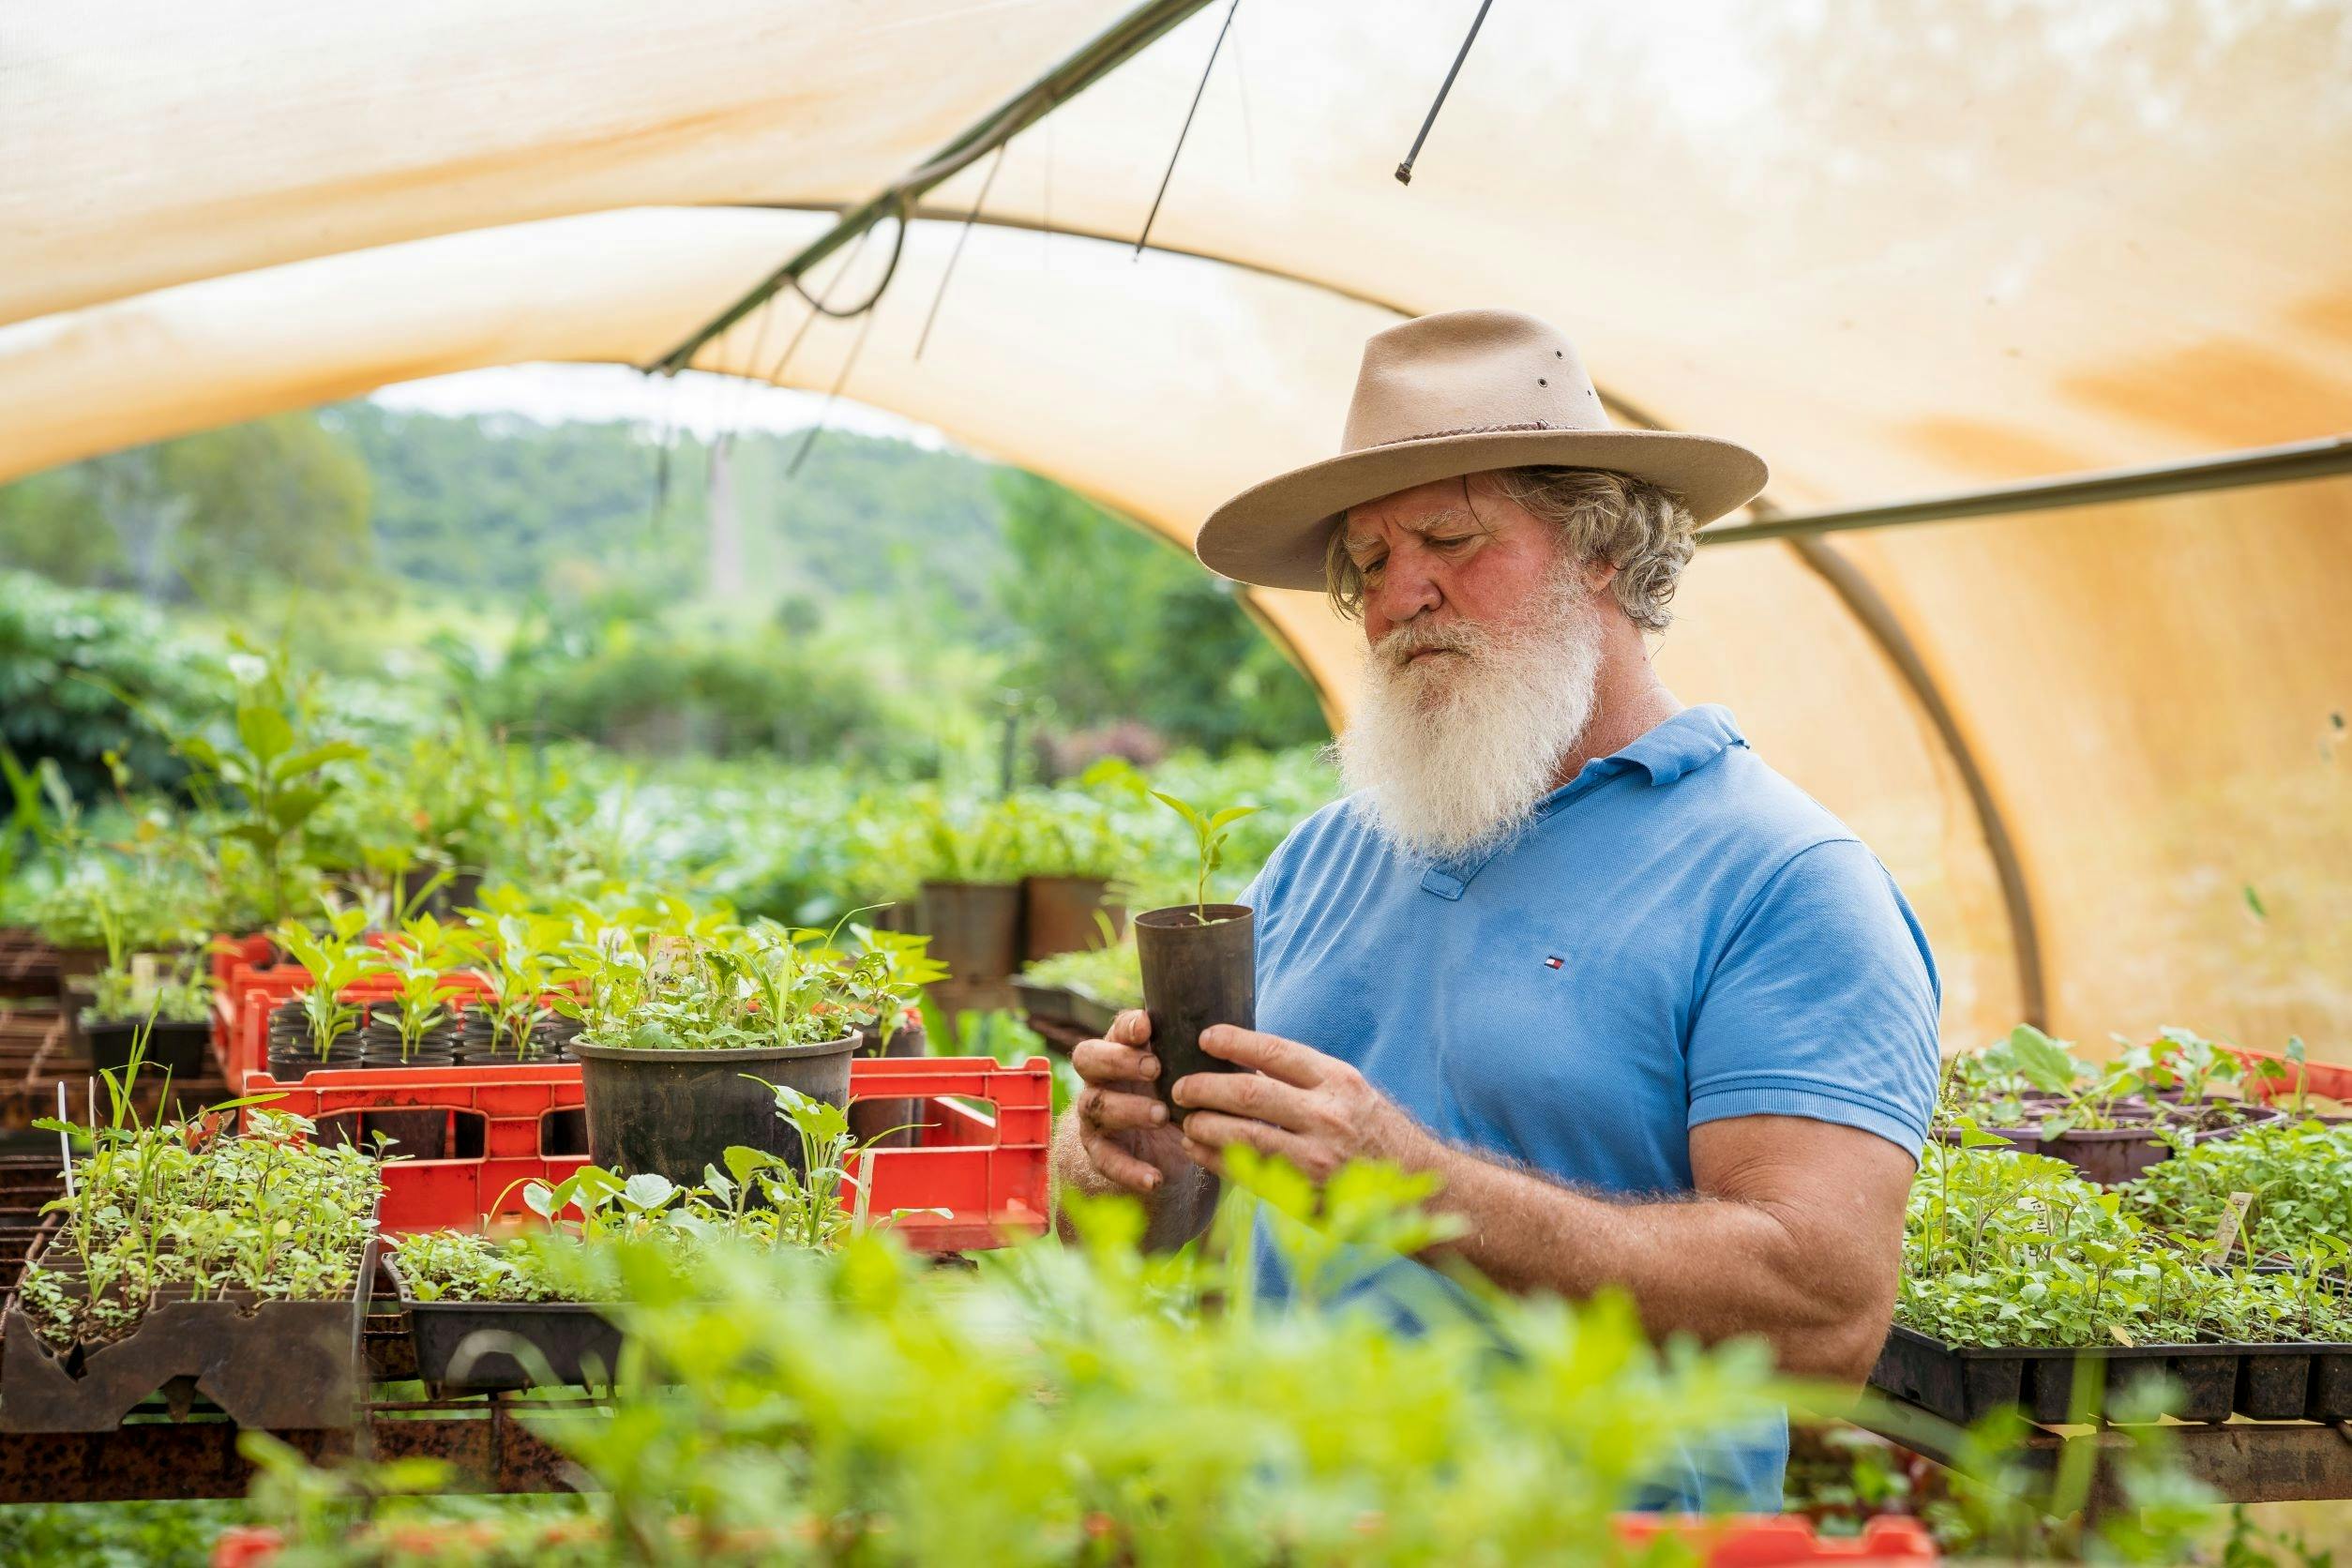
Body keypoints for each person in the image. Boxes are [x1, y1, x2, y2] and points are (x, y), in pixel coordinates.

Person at [1049, 308, 1941, 1510]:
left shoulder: (1781, 879)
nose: (1396, 597)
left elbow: (1822, 1312)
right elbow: (1188, 1233)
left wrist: (1416, 1185)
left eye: (1451, 538)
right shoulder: (1321, 858)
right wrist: (1130, 1167)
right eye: (1367, 564)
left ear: (1602, 550)